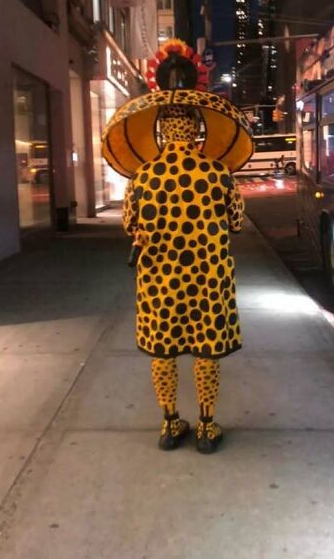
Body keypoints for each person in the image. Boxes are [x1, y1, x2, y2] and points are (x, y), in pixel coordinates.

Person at [122, 105, 245, 454]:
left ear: (163, 130)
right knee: (206, 352)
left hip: (160, 281)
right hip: (208, 278)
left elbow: (130, 225)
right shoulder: (219, 173)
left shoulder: (142, 176)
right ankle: (207, 427)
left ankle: (170, 422)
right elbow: (236, 222)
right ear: (195, 130)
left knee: (163, 353)